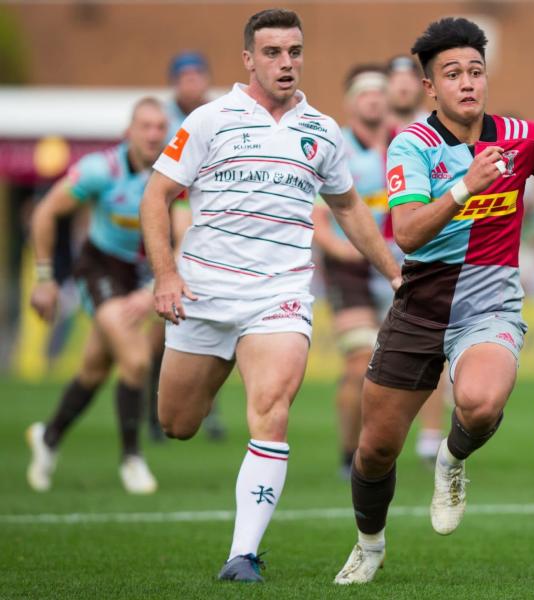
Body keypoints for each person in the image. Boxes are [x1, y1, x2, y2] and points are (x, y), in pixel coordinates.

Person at [333, 17, 534, 585]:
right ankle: (369, 544)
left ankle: (452, 461)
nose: (467, 83)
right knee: (375, 449)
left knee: (480, 403)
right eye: (452, 74)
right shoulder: (413, 145)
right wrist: (464, 188)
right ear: (431, 86)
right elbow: (404, 233)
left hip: (490, 306)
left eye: (475, 71)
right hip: (420, 307)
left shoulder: (526, 137)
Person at [139, 9, 399, 583]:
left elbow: (350, 209)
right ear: (249, 59)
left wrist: (394, 273)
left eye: (295, 51)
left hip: (279, 297)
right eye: (274, 52)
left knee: (271, 414)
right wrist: (165, 275)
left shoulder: (321, 131)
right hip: (203, 295)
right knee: (177, 422)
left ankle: (242, 555)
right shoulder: (210, 120)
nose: (287, 63)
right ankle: (217, 368)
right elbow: (157, 197)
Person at [25, 97, 169, 495]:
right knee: (137, 358)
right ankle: (132, 458)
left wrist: (152, 286)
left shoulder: (174, 174)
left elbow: (187, 234)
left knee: (93, 368)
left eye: (161, 127)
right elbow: (45, 212)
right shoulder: (100, 169)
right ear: (129, 132)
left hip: (143, 272)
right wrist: (44, 278)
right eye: (146, 126)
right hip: (100, 268)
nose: (154, 134)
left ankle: (49, 437)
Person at [313, 64, 396, 478]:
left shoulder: (405, 144)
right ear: (350, 102)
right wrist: (342, 250)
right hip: (349, 268)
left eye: (380, 91)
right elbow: (317, 218)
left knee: (402, 365)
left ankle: (399, 444)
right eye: (365, 92)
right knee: (359, 362)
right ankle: (350, 455)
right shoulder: (334, 146)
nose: (374, 98)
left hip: (398, 264)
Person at [146, 50, 227, 443]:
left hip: (203, 227)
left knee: (217, 325)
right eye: (185, 75)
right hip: (167, 222)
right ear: (175, 81)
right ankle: (156, 409)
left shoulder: (220, 115)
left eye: (199, 74)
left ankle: (207, 409)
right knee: (158, 333)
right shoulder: (162, 123)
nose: (192, 82)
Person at [385, 54, 446, 463]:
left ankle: (430, 435)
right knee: (372, 352)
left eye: (411, 78)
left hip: (425, 251)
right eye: (396, 79)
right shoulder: (372, 128)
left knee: (433, 345)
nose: (404, 86)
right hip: (377, 250)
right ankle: (373, 440)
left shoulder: (436, 132)